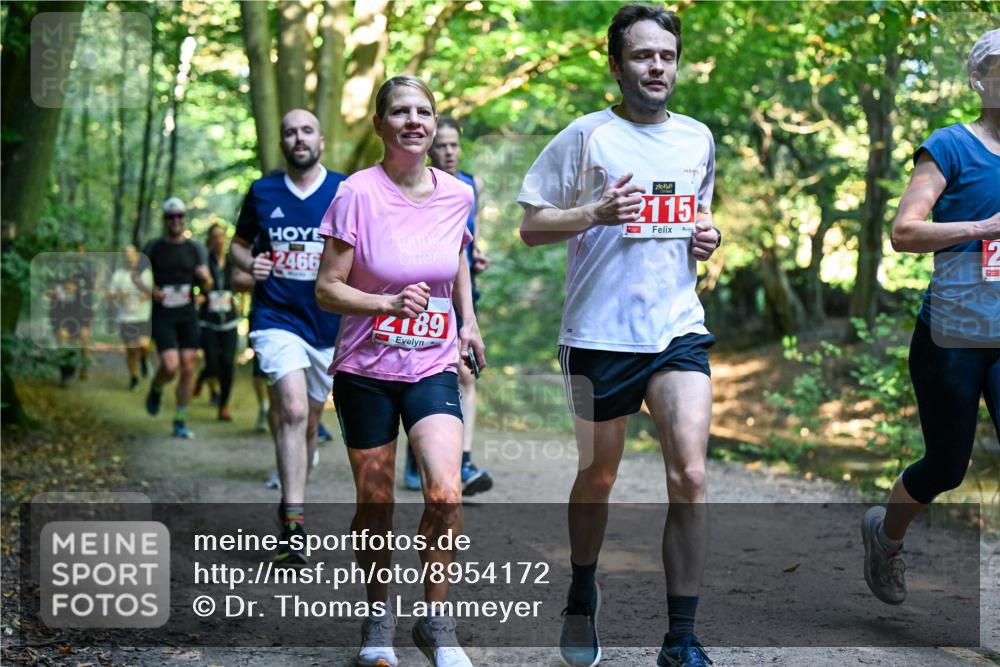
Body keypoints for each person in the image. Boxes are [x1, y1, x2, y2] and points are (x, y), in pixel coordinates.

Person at [517, 6, 721, 667]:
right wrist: (593, 213)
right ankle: (581, 589)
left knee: (689, 472)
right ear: (616, 65)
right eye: (641, 55)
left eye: (665, 54)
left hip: (676, 328)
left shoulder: (697, 139)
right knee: (598, 477)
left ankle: (681, 637)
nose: (655, 65)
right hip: (598, 333)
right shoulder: (586, 136)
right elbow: (532, 225)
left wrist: (708, 237)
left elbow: (700, 221)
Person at [316, 74, 485, 667]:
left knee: (444, 490)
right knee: (376, 502)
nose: (414, 121)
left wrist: (468, 321)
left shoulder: (458, 193)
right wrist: (386, 304)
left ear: (435, 123)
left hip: (432, 362)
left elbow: (457, 254)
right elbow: (327, 290)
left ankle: (436, 623)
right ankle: (378, 617)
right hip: (365, 367)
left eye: (425, 112)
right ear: (380, 124)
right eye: (401, 112)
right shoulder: (355, 193)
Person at [861, 29, 999, 606]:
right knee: (947, 465)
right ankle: (886, 536)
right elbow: (904, 232)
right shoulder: (950, 146)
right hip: (955, 332)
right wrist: (981, 228)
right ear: (978, 80)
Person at [230, 109, 345, 564]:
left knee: (311, 420)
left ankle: (290, 497)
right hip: (275, 317)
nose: (299, 138)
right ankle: (294, 524)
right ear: (282, 143)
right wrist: (248, 264)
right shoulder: (262, 191)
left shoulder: (343, 189)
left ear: (321, 139)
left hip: (328, 324)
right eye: (290, 132)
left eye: (307, 131)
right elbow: (241, 244)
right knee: (293, 408)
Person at [403, 115, 494, 496]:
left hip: (461, 296)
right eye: (442, 145)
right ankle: (416, 461)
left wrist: (477, 257)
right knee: (420, 376)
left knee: (466, 373)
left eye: (455, 145)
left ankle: (464, 458)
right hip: (421, 297)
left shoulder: (469, 186)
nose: (449, 152)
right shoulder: (412, 187)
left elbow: (466, 239)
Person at [138, 198, 212, 439]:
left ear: (184, 219)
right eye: (171, 217)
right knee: (170, 367)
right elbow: (137, 277)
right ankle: (157, 387)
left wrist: (205, 280)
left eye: (179, 216)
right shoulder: (154, 247)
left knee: (189, 365)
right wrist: (151, 291)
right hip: (163, 314)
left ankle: (180, 419)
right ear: (165, 220)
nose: (175, 221)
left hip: (187, 313)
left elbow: (209, 284)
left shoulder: (196, 248)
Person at [197, 223, 240, 421]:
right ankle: (203, 376)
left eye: (222, 236)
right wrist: (199, 295)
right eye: (214, 237)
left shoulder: (233, 261)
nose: (219, 240)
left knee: (227, 364)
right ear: (209, 241)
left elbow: (241, 284)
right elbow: (191, 287)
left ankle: (223, 405)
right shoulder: (203, 262)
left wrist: (240, 302)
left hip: (230, 321)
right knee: (213, 364)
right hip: (208, 321)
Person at [108, 245, 152, 390]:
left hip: (143, 316)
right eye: (126, 255)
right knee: (131, 349)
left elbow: (152, 292)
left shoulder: (145, 274)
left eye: (131, 255)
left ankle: (144, 359)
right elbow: (109, 294)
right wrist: (121, 295)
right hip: (125, 318)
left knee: (144, 345)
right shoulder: (118, 275)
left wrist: (143, 296)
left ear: (137, 257)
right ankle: (134, 378)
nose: (129, 258)